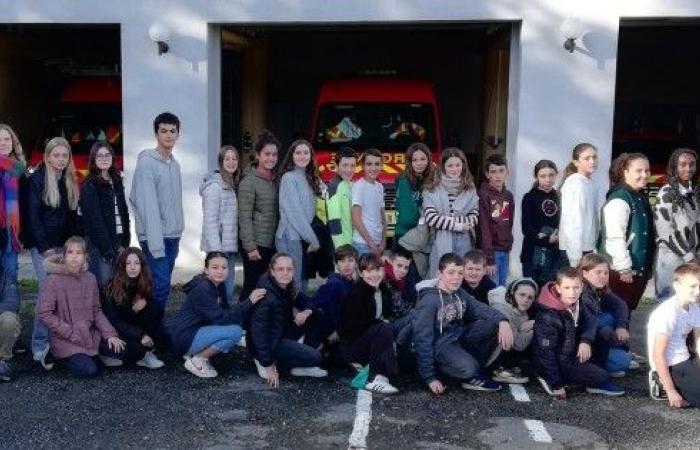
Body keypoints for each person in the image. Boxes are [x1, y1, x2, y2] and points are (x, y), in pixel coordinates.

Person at [412, 253, 513, 395]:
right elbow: (422, 339)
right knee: (468, 367)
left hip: (457, 336)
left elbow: (480, 308)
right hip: (440, 346)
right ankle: (455, 372)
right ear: (439, 274)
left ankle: (473, 371)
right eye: (451, 273)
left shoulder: (459, 293)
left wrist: (503, 320)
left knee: (493, 325)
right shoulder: (429, 301)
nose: (456, 277)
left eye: (460, 273)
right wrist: (429, 377)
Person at [26, 137, 80, 368]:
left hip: (62, 244)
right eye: (56, 155)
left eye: (64, 156)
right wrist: (45, 249)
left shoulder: (68, 180)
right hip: (43, 246)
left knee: (61, 295)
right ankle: (39, 346)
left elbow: (70, 218)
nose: (60, 160)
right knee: (47, 293)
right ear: (47, 157)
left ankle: (57, 342)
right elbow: (33, 217)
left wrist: (73, 247)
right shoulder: (37, 179)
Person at [38, 236, 125, 378]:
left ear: (85, 257)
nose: (74, 257)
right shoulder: (53, 280)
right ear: (64, 256)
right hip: (65, 337)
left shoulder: (90, 278)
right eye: (70, 252)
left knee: (121, 352)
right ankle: (54, 355)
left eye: (79, 253)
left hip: (88, 334)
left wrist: (110, 335)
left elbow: (96, 311)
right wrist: (69, 332)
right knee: (89, 370)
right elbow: (45, 314)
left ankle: (92, 354)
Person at [532, 267, 625, 398]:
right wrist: (556, 384)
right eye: (567, 288)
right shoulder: (548, 315)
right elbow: (545, 353)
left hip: (571, 352)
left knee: (603, 331)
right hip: (559, 361)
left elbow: (591, 321)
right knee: (601, 376)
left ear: (582, 287)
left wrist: (585, 341)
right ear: (558, 288)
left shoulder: (579, 302)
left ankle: (592, 374)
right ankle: (547, 377)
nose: (572, 292)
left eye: (576, 287)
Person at [167, 252, 262, 378]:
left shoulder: (218, 284)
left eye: (224, 267)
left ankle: (196, 352)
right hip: (185, 337)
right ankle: (197, 360)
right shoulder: (203, 289)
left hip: (195, 330)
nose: (220, 271)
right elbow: (223, 318)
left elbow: (227, 310)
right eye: (215, 267)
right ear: (206, 270)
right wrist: (249, 301)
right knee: (235, 332)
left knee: (234, 330)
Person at [129, 112, 184, 325]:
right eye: (164, 131)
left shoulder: (174, 164)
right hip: (156, 237)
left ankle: (152, 326)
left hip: (172, 235)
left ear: (178, 134)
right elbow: (148, 207)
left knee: (159, 285)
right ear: (156, 133)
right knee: (159, 286)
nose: (169, 135)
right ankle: (150, 330)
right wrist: (156, 245)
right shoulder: (147, 163)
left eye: (173, 131)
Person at [248, 253, 328, 388]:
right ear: (272, 271)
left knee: (316, 315)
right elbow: (258, 332)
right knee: (316, 357)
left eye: (289, 269)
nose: (285, 273)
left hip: (281, 331)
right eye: (280, 269)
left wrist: (305, 312)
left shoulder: (287, 286)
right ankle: (279, 364)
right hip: (270, 341)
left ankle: (301, 359)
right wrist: (267, 364)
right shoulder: (266, 296)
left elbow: (309, 302)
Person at [599, 152, 654, 315]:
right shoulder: (620, 198)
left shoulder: (637, 196)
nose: (644, 175)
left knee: (624, 315)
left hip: (635, 270)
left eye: (647, 170)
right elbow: (614, 236)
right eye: (639, 170)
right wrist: (624, 267)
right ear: (625, 172)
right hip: (620, 272)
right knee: (613, 317)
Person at [340, 253, 399, 394]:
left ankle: (385, 371)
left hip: (373, 338)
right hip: (354, 344)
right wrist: (381, 323)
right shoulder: (357, 293)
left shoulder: (383, 289)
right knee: (384, 328)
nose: (374, 275)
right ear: (361, 273)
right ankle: (376, 377)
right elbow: (351, 329)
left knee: (389, 327)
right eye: (369, 271)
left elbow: (389, 314)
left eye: (378, 270)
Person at [647, 263, 700, 408]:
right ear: (677, 285)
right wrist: (671, 391)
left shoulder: (695, 307)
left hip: (687, 357)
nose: (698, 291)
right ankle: (663, 383)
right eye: (693, 286)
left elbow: (698, 341)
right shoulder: (668, 313)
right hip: (672, 363)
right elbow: (658, 354)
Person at [101, 247, 164, 369]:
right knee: (134, 350)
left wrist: (146, 303)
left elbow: (156, 314)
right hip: (116, 331)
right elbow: (115, 321)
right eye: (128, 263)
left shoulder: (144, 282)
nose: (132, 267)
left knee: (165, 338)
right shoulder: (112, 287)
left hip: (136, 327)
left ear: (142, 266)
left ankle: (145, 349)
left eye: (136, 263)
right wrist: (140, 335)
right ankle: (108, 353)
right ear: (122, 266)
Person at [423, 147, 479, 277]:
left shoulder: (470, 188)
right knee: (441, 276)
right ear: (443, 167)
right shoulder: (432, 188)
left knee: (462, 276)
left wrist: (447, 220)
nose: (455, 169)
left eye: (458, 165)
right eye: (450, 165)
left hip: (464, 240)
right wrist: (458, 225)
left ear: (463, 165)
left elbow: (474, 215)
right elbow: (431, 218)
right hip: (441, 238)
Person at [80, 141, 130, 287]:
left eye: (107, 154)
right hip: (101, 245)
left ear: (112, 158)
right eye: (99, 155)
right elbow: (94, 220)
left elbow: (123, 211)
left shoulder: (116, 180)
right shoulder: (89, 185)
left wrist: (125, 240)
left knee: (118, 285)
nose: (104, 158)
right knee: (104, 286)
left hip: (119, 240)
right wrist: (107, 250)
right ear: (93, 159)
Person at [653, 148, 700, 301]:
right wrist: (689, 257)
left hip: (692, 258)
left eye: (692, 164)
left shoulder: (693, 194)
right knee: (668, 303)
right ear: (674, 167)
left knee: (689, 303)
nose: (688, 168)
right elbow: (665, 232)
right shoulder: (666, 193)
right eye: (683, 164)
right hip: (671, 258)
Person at [239, 130, 280, 301]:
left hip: (271, 241)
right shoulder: (249, 181)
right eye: (267, 154)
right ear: (258, 155)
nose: (271, 158)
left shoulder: (275, 179)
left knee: (266, 287)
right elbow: (244, 216)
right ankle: (241, 324)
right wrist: (250, 246)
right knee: (252, 286)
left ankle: (257, 324)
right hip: (256, 244)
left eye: (274, 154)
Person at [276, 139, 323, 288]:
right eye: (298, 153)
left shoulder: (309, 178)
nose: (302, 156)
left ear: (311, 156)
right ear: (291, 156)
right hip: (291, 236)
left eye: (306, 152)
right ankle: (290, 312)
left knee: (303, 283)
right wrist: (313, 240)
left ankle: (299, 311)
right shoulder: (288, 178)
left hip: (303, 236)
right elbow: (295, 214)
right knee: (292, 284)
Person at [578, 253, 634, 377]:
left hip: (596, 338)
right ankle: (594, 366)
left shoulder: (599, 289)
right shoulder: (582, 293)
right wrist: (622, 344)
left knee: (611, 316)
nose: (603, 276)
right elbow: (591, 325)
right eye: (598, 272)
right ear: (585, 273)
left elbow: (621, 305)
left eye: (606, 273)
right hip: (583, 341)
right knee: (623, 360)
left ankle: (616, 353)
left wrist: (621, 326)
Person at [0, 124, 26, 381]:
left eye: (7, 138)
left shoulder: (19, 169)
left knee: (11, 283)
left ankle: (9, 337)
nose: (3, 142)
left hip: (10, 238)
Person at [200, 145, 240, 304]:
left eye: (234, 158)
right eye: (227, 159)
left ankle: (226, 323)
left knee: (227, 292)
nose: (231, 162)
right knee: (218, 292)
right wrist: (216, 252)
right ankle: (214, 325)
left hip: (228, 247)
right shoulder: (215, 187)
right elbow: (210, 221)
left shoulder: (231, 183)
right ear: (220, 162)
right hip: (219, 248)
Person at [488, 277, 538, 383]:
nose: (525, 300)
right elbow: (519, 344)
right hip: (490, 355)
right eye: (522, 295)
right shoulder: (502, 308)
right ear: (512, 294)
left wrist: (525, 327)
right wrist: (536, 326)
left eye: (530, 297)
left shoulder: (521, 311)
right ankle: (497, 369)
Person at [559, 143, 599, 268]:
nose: (592, 161)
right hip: (575, 251)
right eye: (587, 158)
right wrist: (575, 259)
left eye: (594, 157)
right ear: (576, 162)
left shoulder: (589, 183)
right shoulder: (575, 185)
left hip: (587, 248)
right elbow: (572, 223)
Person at [521, 160, 561, 286]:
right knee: (531, 291)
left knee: (549, 292)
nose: (547, 179)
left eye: (551, 175)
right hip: (532, 254)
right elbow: (526, 228)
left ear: (556, 175)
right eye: (543, 176)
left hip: (554, 254)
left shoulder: (559, 196)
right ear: (536, 177)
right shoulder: (529, 197)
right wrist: (547, 240)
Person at [479, 153, 514, 287]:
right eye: (493, 172)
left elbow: (508, 223)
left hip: (505, 250)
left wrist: (508, 243)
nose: (498, 175)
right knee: (493, 291)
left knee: (502, 288)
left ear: (507, 172)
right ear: (487, 174)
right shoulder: (483, 195)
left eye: (501, 171)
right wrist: (489, 259)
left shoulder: (508, 195)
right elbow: (484, 228)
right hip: (491, 252)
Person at [312, 244, 358, 344]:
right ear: (336, 264)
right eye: (342, 261)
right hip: (334, 335)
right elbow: (313, 304)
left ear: (356, 263)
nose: (346, 265)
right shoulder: (334, 284)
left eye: (350, 261)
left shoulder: (353, 284)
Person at [395, 142, 435, 241]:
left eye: (423, 159)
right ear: (409, 162)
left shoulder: (435, 179)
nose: (419, 163)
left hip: (427, 233)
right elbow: (406, 216)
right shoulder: (403, 180)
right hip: (405, 234)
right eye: (414, 160)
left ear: (428, 160)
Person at [382, 245, 420, 343]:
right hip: (387, 322)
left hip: (400, 318)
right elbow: (399, 307)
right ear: (390, 262)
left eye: (406, 268)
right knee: (420, 315)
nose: (403, 271)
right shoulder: (384, 278)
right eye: (399, 266)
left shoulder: (404, 278)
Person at [351, 148, 385, 256]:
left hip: (378, 243)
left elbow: (382, 218)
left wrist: (383, 242)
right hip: (363, 245)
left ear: (381, 166)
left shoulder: (379, 186)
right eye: (369, 164)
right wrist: (371, 244)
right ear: (362, 166)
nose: (373, 168)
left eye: (377, 164)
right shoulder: (358, 187)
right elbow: (356, 219)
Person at [327, 146, 356, 249]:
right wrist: (341, 249)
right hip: (342, 249)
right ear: (336, 165)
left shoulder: (350, 185)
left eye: (352, 165)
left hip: (351, 245)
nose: (349, 170)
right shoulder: (334, 186)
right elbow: (334, 222)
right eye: (345, 165)